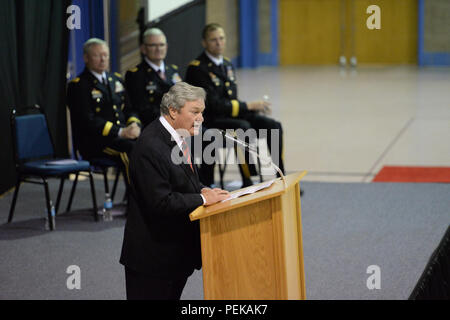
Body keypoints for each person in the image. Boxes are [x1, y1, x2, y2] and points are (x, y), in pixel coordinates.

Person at [119, 82, 230, 300]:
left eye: (202, 113)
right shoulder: (150, 147)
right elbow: (160, 202)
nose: (201, 119)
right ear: (173, 111)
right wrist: (202, 198)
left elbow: (182, 179)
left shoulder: (178, 135)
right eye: (195, 112)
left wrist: (203, 189)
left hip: (174, 256)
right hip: (152, 260)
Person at [185, 23, 285, 188]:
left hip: (231, 115)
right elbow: (214, 105)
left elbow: (232, 98)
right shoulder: (197, 68)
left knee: (273, 125)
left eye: (221, 38)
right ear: (204, 43)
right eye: (213, 40)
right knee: (242, 128)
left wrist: (252, 107)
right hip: (211, 119)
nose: (218, 43)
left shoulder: (227, 64)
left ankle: (280, 175)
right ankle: (249, 180)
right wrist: (249, 105)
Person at [67, 38, 141, 178]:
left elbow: (130, 109)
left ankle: (152, 195)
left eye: (105, 55)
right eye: (97, 55)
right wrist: (120, 131)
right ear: (86, 58)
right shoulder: (78, 85)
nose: (103, 59)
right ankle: (136, 198)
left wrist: (134, 125)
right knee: (129, 150)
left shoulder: (116, 80)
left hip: (122, 137)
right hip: (95, 142)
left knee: (149, 144)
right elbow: (87, 121)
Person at [125, 28, 182, 128]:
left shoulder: (172, 70)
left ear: (167, 47)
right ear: (143, 48)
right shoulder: (135, 75)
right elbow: (141, 108)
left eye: (161, 45)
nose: (158, 49)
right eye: (153, 45)